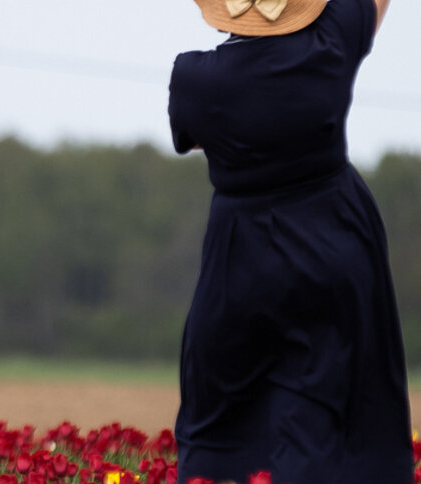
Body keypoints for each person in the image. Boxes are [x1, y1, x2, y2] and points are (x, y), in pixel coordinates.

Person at [168, 0, 412, 482]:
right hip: (335, 237)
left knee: (225, 408)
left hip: (238, 253)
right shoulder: (330, 44)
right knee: (336, 398)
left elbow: (192, 138)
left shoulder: (194, 76)